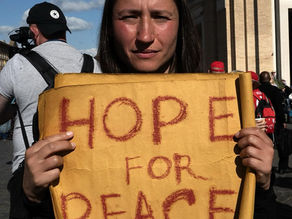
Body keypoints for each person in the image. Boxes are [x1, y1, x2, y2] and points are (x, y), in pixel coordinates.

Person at [22, 0, 275, 218]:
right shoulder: (61, 116)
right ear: (110, 26)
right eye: (129, 17)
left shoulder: (231, 110)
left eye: (160, 17)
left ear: (181, 25)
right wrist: (33, 197)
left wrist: (261, 186)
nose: (145, 35)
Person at [0, 2, 101, 218]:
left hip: (29, 178)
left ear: (34, 31)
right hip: (84, 175)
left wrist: (16, 108)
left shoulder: (17, 64)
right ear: (64, 30)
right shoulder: (93, 65)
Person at [259, 71, 291, 174]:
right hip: (275, 120)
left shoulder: (256, 90)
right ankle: (283, 166)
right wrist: (282, 121)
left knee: (262, 144)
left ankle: (264, 166)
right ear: (270, 79)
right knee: (282, 144)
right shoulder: (275, 90)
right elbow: (279, 108)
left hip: (260, 121)